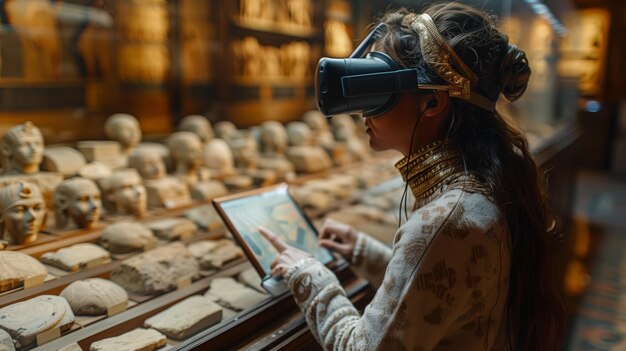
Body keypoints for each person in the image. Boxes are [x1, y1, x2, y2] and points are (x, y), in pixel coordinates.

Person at [258, 2, 566, 350]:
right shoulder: (483, 184)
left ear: (432, 103)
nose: (362, 109)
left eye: (376, 87)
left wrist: (309, 276)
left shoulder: (448, 219)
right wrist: (365, 252)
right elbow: (441, 291)